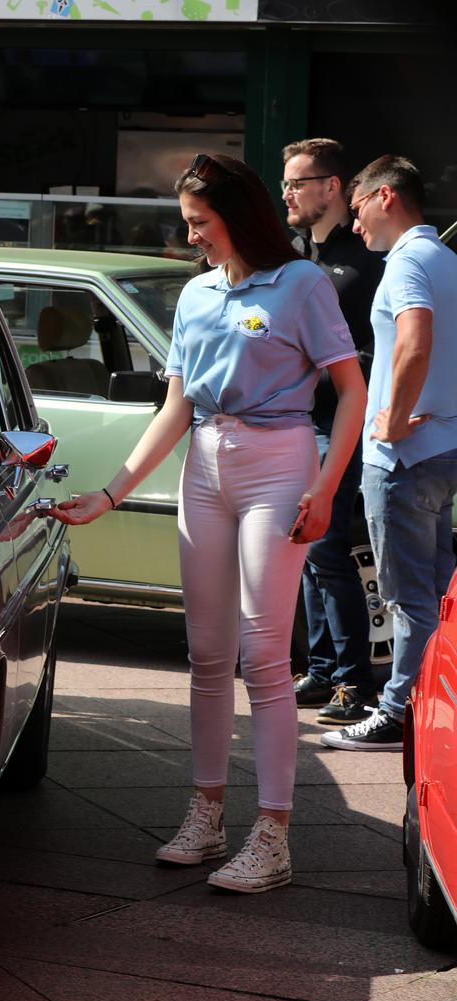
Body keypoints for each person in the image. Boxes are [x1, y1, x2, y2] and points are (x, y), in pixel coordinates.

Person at [54, 152, 367, 894]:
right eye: (187, 224)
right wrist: (110, 493)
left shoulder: (302, 283)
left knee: (262, 657)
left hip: (280, 463)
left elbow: (352, 391)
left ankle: (274, 833)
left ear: (238, 216)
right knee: (205, 653)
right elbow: (176, 408)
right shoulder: (195, 295)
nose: (190, 236)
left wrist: (324, 486)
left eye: (200, 223)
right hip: (207, 464)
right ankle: (206, 813)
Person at [322, 156, 457, 753]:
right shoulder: (445, 259)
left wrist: (394, 419)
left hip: (404, 458)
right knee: (433, 590)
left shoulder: (404, 261)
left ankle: (399, 712)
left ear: (384, 197)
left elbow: (415, 337)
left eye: (356, 211)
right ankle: (430, 708)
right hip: (441, 448)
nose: (354, 227)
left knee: (408, 596)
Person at [279, 138, 386, 727]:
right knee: (304, 545)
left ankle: (353, 681)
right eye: (286, 183)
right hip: (287, 421)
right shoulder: (287, 252)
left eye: (298, 182)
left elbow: (377, 352)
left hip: (335, 421)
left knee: (326, 544)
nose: (288, 193)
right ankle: (322, 669)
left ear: (332, 186)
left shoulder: (367, 261)